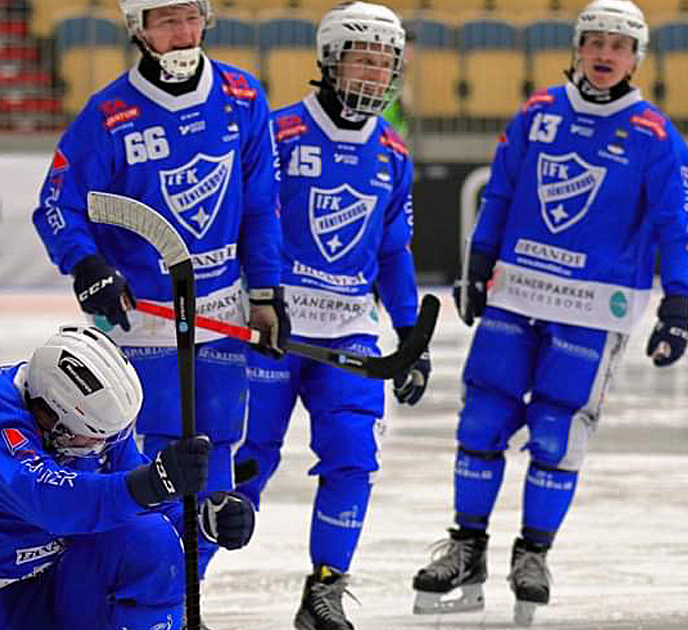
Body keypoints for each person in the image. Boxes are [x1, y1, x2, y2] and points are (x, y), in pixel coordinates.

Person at [409, 0, 688, 626]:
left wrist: (677, 303)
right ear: (576, 47)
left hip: (595, 307)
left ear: (635, 59)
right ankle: (467, 545)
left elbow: (678, 227)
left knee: (557, 428)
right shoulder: (538, 112)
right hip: (517, 290)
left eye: (618, 46)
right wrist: (478, 263)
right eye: (594, 41)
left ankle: (533, 554)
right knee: (483, 415)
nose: (603, 54)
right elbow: (502, 192)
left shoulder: (656, 137)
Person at [30, 0, 288, 591]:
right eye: (166, 21)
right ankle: (135, 596)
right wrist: (87, 262)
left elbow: (259, 206)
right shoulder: (108, 114)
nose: (182, 34)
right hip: (141, 324)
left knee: (215, 456)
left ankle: (176, 595)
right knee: (150, 463)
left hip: (221, 311)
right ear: (138, 30)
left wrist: (267, 293)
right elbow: (55, 205)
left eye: (190, 18)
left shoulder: (244, 98)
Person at [230, 3, 429, 629]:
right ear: (330, 61)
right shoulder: (279, 132)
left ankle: (324, 589)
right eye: (363, 58)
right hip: (269, 329)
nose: (374, 74)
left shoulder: (393, 152)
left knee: (353, 459)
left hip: (350, 334)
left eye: (385, 62)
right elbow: (242, 220)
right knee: (243, 464)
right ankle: (179, 589)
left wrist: (409, 337)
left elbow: (393, 251)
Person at [0, 325, 256, 630]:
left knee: (149, 540)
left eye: (113, 435)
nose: (104, 446)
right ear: (49, 417)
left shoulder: (89, 422)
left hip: (50, 579)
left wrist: (200, 521)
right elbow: (55, 502)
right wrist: (152, 482)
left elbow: (136, 497)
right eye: (94, 436)